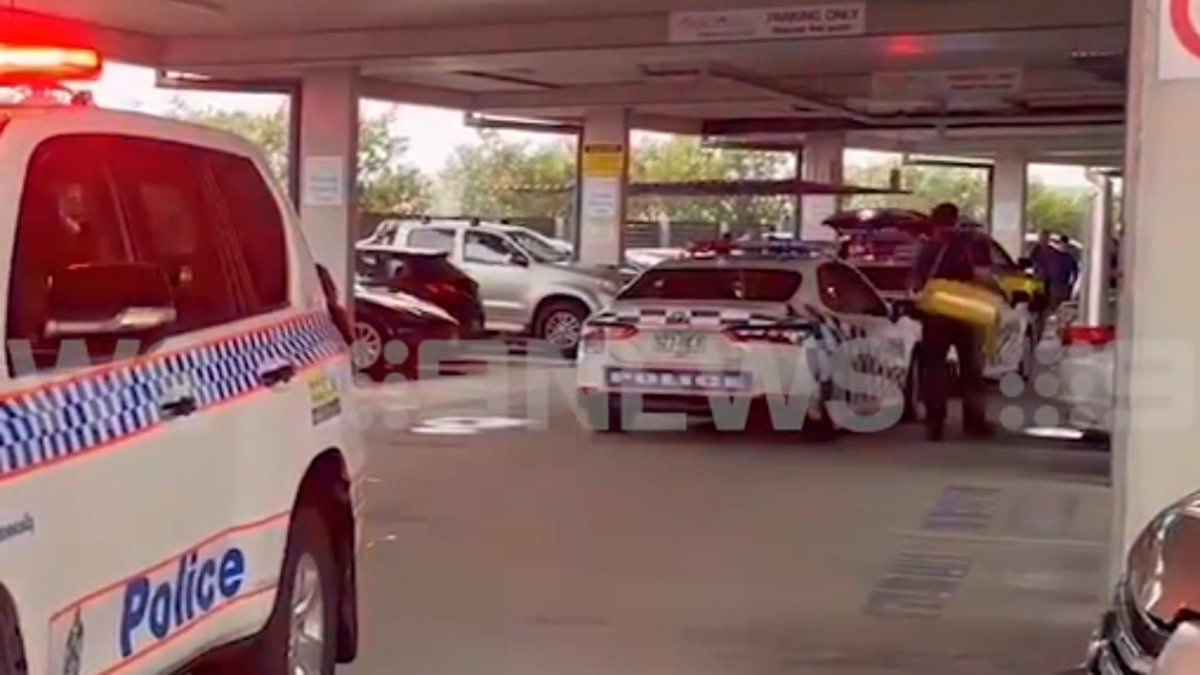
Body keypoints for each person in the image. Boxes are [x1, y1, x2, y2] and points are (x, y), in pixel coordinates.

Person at [911, 203, 994, 442]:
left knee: (934, 366)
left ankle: (935, 423)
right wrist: (996, 295)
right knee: (971, 368)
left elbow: (916, 284)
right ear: (956, 219)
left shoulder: (927, 247)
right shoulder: (972, 243)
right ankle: (974, 422)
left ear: (933, 221)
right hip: (966, 312)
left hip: (936, 313)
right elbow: (983, 276)